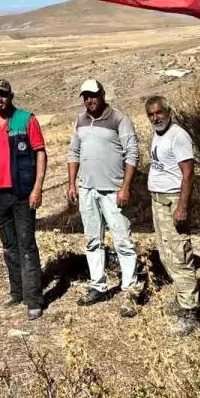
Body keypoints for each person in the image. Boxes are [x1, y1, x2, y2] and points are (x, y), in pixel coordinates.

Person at [66, 79, 142, 317]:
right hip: (87, 189)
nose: (90, 100)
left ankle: (130, 290)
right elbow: (74, 152)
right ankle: (97, 285)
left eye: (94, 95)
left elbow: (132, 153)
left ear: (102, 94)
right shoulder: (80, 121)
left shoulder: (119, 119)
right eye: (86, 96)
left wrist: (126, 187)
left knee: (122, 240)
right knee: (92, 241)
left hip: (113, 190)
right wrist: (72, 183)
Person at [0, 79, 48, 321]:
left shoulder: (26, 119)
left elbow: (40, 153)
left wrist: (38, 187)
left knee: (27, 245)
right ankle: (17, 292)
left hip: (22, 193)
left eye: (3, 94)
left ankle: (34, 299)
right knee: (9, 246)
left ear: (11, 95)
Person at [144, 94, 200, 335]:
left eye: (159, 112)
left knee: (179, 254)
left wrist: (182, 207)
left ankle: (191, 311)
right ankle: (182, 298)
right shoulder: (157, 135)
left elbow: (188, 174)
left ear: (169, 112)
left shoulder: (179, 136)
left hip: (173, 200)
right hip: (158, 200)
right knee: (166, 253)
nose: (156, 117)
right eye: (151, 114)